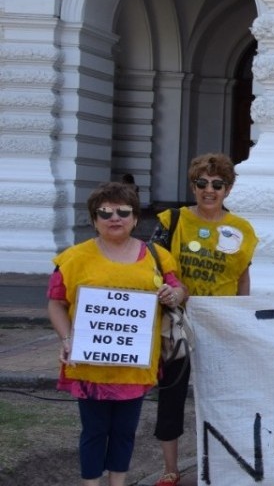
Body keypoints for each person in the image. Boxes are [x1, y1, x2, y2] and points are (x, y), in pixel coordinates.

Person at [47, 182, 187, 486]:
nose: (115, 218)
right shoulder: (73, 259)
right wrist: (67, 339)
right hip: (90, 365)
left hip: (135, 366)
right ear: (94, 218)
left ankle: (118, 483)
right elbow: (56, 303)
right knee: (94, 431)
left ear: (135, 218)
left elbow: (180, 289)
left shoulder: (158, 257)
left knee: (125, 431)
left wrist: (173, 295)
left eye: (123, 211)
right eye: (105, 212)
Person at [149, 153, 258, 486]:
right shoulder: (172, 220)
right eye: (202, 183)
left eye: (217, 184)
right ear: (192, 185)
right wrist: (171, 290)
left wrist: (241, 315)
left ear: (227, 189)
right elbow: (151, 265)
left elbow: (242, 277)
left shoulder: (240, 229)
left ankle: (226, 462)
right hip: (175, 320)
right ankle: (171, 468)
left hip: (220, 320)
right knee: (172, 393)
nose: (209, 190)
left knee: (224, 392)